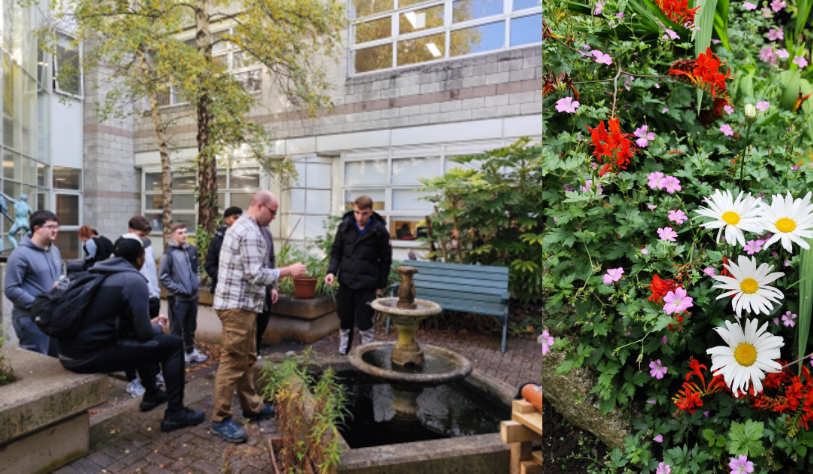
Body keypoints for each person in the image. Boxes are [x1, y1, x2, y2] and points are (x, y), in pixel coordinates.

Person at [57, 234, 205, 432]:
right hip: (89, 356)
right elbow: (144, 333)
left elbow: (113, 321)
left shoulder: (96, 271)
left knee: (139, 342)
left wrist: (147, 323)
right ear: (139, 258)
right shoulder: (133, 280)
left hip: (68, 353)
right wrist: (157, 327)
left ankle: (152, 394)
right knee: (174, 345)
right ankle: (175, 413)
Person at [211, 190, 307, 443]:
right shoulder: (250, 232)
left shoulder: (244, 226)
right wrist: (288, 271)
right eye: (273, 211)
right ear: (261, 206)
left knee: (247, 357)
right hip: (237, 309)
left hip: (244, 306)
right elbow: (255, 274)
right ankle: (220, 419)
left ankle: (252, 406)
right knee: (233, 362)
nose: (275, 217)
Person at [325, 196, 392, 356]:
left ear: (371, 212)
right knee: (344, 318)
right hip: (346, 282)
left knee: (365, 321)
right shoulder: (344, 227)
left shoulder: (380, 231)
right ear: (353, 209)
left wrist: (380, 285)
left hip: (367, 284)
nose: (360, 217)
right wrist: (331, 272)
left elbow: (385, 260)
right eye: (357, 212)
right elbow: (336, 253)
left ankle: (366, 354)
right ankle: (343, 352)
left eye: (364, 213)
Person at [4, 210, 62, 356]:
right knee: (37, 366)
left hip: (53, 317)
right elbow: (11, 289)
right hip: (30, 320)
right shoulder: (19, 255)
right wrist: (39, 305)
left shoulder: (54, 251)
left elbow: (60, 280)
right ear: (37, 228)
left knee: (55, 364)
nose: (55, 231)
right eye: (50, 227)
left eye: (56, 227)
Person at [124, 216, 165, 397]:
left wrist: (155, 294)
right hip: (134, 300)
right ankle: (132, 380)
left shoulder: (147, 246)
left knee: (151, 338)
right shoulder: (123, 248)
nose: (144, 238)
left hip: (152, 298)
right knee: (131, 340)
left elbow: (151, 272)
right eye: (141, 234)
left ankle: (154, 372)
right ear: (131, 230)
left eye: (147, 235)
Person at [159, 222, 206, 363]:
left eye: (185, 232)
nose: (184, 235)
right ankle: (176, 356)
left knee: (191, 326)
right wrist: (179, 289)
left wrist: (196, 282)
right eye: (180, 233)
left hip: (193, 296)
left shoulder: (192, 250)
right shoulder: (169, 253)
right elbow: (163, 277)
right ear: (173, 235)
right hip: (178, 298)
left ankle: (190, 351)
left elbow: (197, 268)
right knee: (176, 328)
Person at [204, 206, 243, 293]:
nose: (239, 222)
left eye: (241, 219)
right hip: (221, 288)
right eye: (235, 218)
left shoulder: (246, 237)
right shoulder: (217, 240)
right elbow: (209, 265)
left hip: (241, 288)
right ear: (227, 220)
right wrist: (223, 277)